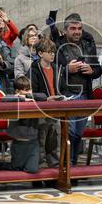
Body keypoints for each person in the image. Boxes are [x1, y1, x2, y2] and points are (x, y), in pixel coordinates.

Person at [49, 13, 101, 163]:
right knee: (69, 133)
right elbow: (49, 70)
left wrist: (92, 71)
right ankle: (66, 164)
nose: (77, 31)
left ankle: (73, 162)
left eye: (79, 28)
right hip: (66, 95)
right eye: (73, 28)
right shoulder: (57, 45)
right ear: (65, 30)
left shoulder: (88, 45)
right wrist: (66, 69)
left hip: (84, 94)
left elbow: (98, 69)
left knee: (78, 133)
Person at [28, 38, 62, 167]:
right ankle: (40, 165)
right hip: (41, 110)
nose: (52, 54)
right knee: (41, 138)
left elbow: (61, 87)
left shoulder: (56, 68)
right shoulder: (33, 70)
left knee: (54, 138)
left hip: (55, 109)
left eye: (53, 52)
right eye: (49, 52)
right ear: (40, 53)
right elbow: (30, 92)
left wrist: (62, 96)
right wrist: (45, 98)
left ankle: (54, 164)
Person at [2, 76, 40, 172]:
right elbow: (4, 99)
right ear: (17, 91)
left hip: (33, 142)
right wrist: (22, 99)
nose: (28, 92)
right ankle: (3, 165)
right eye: (25, 90)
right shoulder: (14, 101)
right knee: (16, 168)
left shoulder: (34, 100)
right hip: (18, 142)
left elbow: (43, 96)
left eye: (29, 89)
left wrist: (29, 97)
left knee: (32, 169)